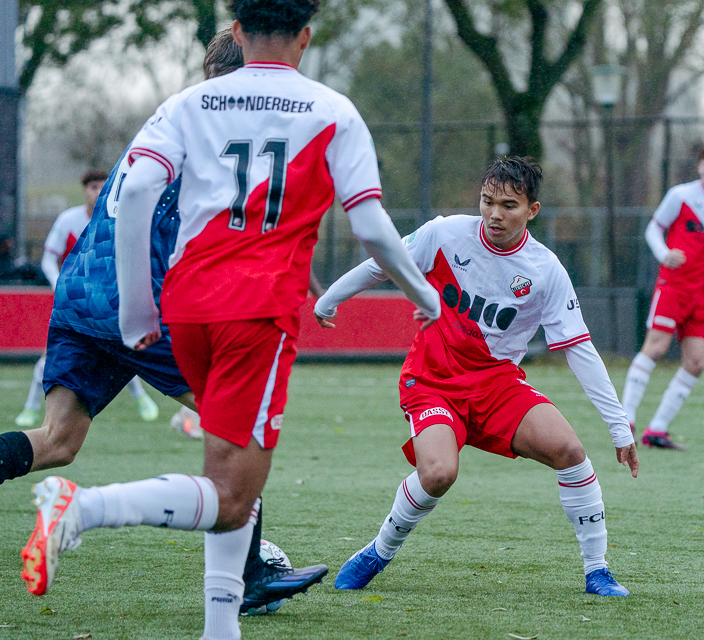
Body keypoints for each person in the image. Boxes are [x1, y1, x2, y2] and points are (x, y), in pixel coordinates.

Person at [22, 3, 441, 639]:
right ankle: (77, 510)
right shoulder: (331, 110)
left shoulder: (189, 106)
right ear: (305, 36)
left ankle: (223, 626)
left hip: (184, 304)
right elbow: (372, 227)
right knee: (233, 493)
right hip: (254, 311)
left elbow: (134, 193)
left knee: (221, 467)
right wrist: (426, 296)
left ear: (239, 32)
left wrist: (139, 308)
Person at [8, 27, 330, 619]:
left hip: (80, 294)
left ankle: (250, 565)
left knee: (57, 440)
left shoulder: (169, 117)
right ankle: (251, 576)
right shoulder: (216, 136)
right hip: (136, 304)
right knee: (238, 426)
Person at [315, 156, 639, 597]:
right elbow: (383, 260)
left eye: (509, 205)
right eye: (488, 201)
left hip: (496, 385)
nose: (494, 214)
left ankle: (598, 571)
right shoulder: (445, 234)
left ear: (533, 210)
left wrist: (619, 427)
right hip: (432, 380)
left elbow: (579, 350)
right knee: (438, 474)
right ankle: (378, 552)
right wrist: (330, 299)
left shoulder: (545, 270)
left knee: (570, 451)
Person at [621, 142, 704, 450]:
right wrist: (664, 253)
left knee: (696, 363)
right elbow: (653, 230)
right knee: (655, 348)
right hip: (674, 287)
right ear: (699, 168)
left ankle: (657, 430)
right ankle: (624, 418)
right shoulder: (681, 196)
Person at [14, 171, 159, 428]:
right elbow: (48, 258)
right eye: (93, 187)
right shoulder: (68, 219)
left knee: (123, 347)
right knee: (52, 356)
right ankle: (31, 409)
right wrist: (61, 285)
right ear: (84, 190)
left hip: (109, 301)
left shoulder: (119, 218)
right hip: (73, 302)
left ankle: (141, 397)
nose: (98, 191)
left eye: (103, 187)